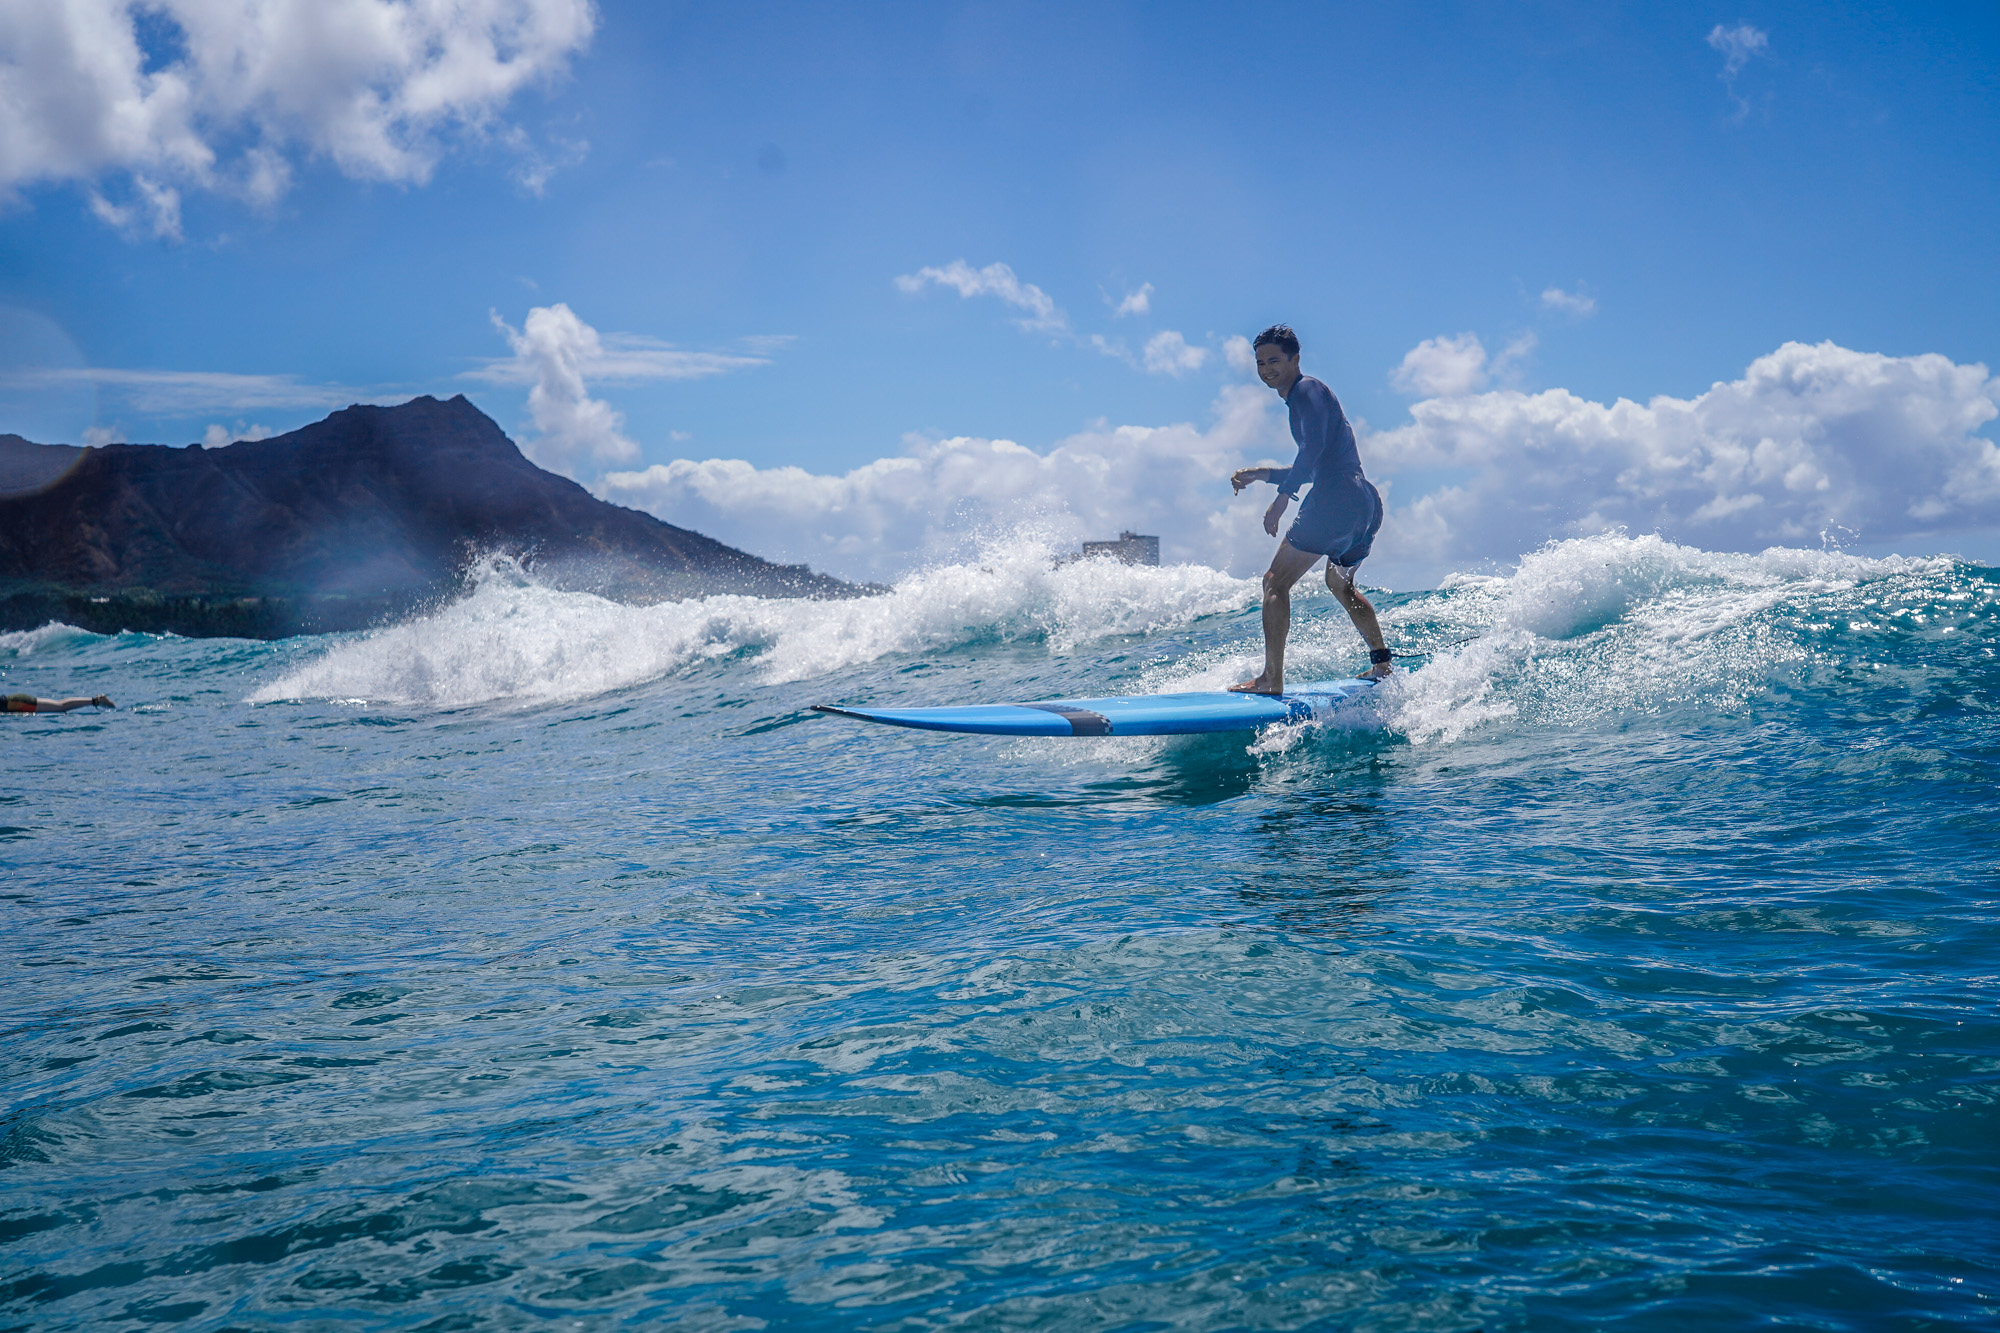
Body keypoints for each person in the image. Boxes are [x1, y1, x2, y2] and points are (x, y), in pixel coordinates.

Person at [1227, 324, 1390, 694]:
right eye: (1260, 362)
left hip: (1333, 501)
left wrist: (1283, 497)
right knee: (1340, 584)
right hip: (1363, 503)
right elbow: (1318, 462)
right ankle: (1382, 664)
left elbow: (1312, 449)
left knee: (1274, 582)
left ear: (1294, 359)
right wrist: (1261, 474)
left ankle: (1271, 678)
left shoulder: (1305, 390)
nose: (1267, 368)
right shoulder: (1310, 398)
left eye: (1274, 360)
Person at [5, 693, 114, 714]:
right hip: (16, 701)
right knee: (60, 705)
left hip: (18, 703)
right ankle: (96, 700)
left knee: (60, 707)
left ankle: (97, 700)